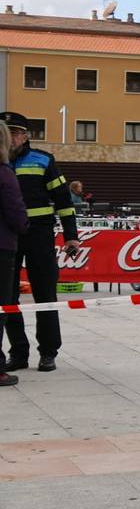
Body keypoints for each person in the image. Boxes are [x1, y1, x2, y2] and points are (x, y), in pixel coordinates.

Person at [2, 112, 80, 373]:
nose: (10, 137)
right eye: (6, 132)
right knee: (7, 298)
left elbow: (64, 202)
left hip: (39, 236)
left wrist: (71, 236)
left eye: (15, 132)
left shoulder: (43, 161)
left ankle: (48, 352)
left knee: (45, 294)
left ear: (26, 136)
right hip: (8, 239)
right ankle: (18, 353)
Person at [0, 135, 28, 387]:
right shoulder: (5, 173)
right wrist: (24, 227)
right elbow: (15, 210)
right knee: (1, 306)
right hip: (2, 246)